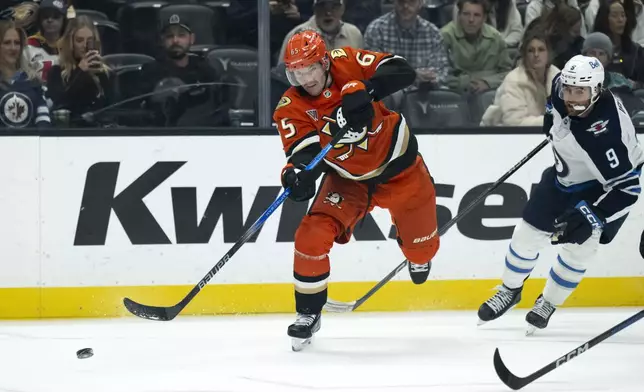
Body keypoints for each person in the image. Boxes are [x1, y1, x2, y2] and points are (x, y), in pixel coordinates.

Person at [274, 30, 439, 350]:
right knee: (310, 234)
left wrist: (367, 90)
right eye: (295, 72)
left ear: (324, 62)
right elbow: (305, 155)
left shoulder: (347, 61)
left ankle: (418, 254)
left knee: (422, 249)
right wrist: (298, 177)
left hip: (401, 172)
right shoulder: (290, 106)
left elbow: (402, 70)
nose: (303, 79)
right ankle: (308, 313)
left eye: (309, 69)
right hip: (347, 181)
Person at [477, 54, 644, 334]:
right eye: (569, 89)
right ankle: (510, 290)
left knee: (579, 250)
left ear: (597, 91)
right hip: (563, 177)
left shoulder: (607, 136)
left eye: (580, 92)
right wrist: (550, 124)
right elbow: (553, 107)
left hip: (603, 189)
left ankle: (548, 302)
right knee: (526, 233)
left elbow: (628, 189)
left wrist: (595, 214)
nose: (572, 97)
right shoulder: (559, 86)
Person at [481, 29, 559, 126]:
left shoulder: (557, 77)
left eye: (541, 49)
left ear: (548, 53)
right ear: (525, 55)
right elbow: (514, 122)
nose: (536, 55)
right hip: (503, 135)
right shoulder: (514, 80)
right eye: (531, 50)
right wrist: (552, 122)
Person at [46, 16, 111, 125]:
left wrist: (102, 76)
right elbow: (60, 105)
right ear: (70, 43)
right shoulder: (56, 72)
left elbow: (112, 106)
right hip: (71, 131)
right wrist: (80, 72)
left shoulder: (105, 72)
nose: (85, 46)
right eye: (79, 40)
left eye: (90, 41)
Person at [0, 20, 50, 128]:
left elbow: (43, 123)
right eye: (7, 43)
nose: (13, 48)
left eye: (17, 43)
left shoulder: (33, 81)